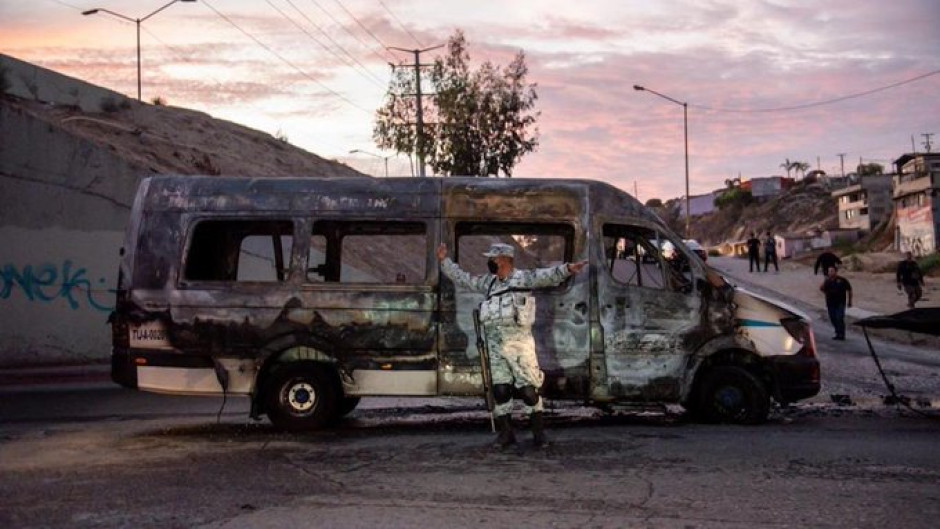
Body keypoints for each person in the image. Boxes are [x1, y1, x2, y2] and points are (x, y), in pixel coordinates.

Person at [437, 242, 588, 449]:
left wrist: (568, 269)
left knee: (528, 390)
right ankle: (506, 434)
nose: (490, 262)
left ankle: (538, 435)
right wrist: (444, 261)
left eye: (494, 258)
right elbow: (464, 279)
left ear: (505, 260)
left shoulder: (523, 278)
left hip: (520, 345)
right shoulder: (488, 283)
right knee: (500, 390)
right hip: (495, 345)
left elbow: (547, 276)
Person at [819, 265, 852, 340]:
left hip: (840, 302)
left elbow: (849, 290)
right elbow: (821, 288)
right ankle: (837, 332)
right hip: (830, 303)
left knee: (839, 317)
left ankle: (841, 334)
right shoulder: (827, 281)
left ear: (836, 272)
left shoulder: (842, 280)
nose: (830, 273)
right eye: (829, 271)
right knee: (833, 318)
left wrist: (850, 301)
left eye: (832, 271)